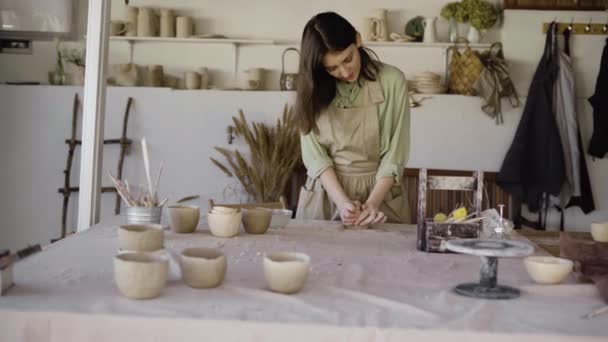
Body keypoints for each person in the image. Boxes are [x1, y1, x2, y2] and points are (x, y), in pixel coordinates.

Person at [294, 12, 411, 227]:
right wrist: (342, 202)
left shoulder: (392, 81)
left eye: (348, 59)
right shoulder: (312, 88)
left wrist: (373, 203)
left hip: (380, 193)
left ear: (357, 40)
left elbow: (395, 153)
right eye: (332, 68)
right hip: (326, 194)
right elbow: (315, 156)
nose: (345, 71)